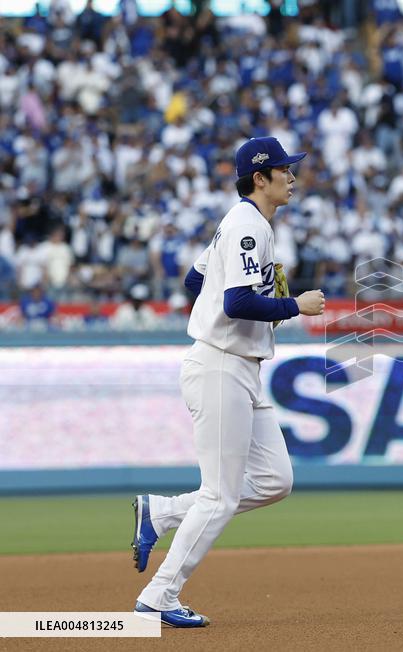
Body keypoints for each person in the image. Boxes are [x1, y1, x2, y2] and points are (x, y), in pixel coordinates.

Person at [131, 137, 325, 628]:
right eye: (283, 169)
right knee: (220, 495)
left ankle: (163, 513)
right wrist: (291, 306)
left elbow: (197, 283)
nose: (291, 175)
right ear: (259, 178)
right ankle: (159, 595)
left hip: (241, 368)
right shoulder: (246, 225)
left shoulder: (245, 224)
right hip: (220, 364)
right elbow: (236, 302)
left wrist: (256, 310)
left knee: (274, 481)